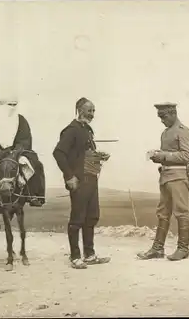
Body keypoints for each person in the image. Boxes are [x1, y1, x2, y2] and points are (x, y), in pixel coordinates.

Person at [52, 97, 111, 269]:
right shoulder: (71, 130)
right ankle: (75, 257)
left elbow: (83, 153)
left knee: (91, 216)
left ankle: (89, 255)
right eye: (89, 110)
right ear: (79, 109)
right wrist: (69, 176)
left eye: (93, 111)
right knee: (77, 219)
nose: (92, 114)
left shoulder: (87, 130)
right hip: (79, 181)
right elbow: (58, 153)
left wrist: (98, 156)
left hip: (91, 179)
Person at [137, 102, 189, 261]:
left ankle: (183, 249)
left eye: (163, 116)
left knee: (181, 212)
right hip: (166, 177)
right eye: (160, 117)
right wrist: (157, 157)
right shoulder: (165, 133)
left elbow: (187, 156)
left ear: (173, 113)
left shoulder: (184, 132)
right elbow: (168, 156)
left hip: (178, 177)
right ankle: (157, 248)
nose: (161, 120)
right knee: (163, 213)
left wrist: (162, 155)